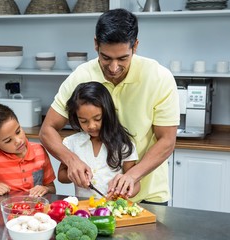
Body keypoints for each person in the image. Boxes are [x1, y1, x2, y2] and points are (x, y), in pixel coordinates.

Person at [39, 8, 179, 205]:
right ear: (96, 44)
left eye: (122, 58)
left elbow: (167, 140)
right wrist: (71, 160)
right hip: (91, 202)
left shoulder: (159, 78)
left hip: (149, 195)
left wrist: (132, 176)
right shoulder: (80, 76)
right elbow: (47, 130)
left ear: (135, 46)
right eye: (106, 58)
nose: (114, 68)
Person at [57, 82, 140, 199]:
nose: (91, 126)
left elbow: (135, 184)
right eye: (84, 121)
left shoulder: (123, 145)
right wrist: (74, 175)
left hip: (112, 209)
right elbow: (61, 176)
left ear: (108, 113)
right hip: (83, 210)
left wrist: (125, 191)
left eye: (97, 119)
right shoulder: (71, 143)